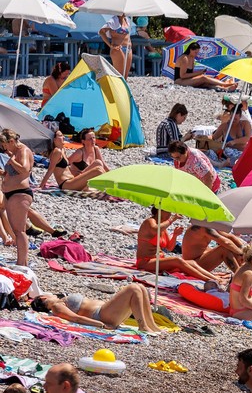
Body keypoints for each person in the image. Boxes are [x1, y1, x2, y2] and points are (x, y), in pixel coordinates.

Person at [136, 208, 223, 284]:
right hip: (145, 262)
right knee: (177, 260)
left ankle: (215, 278)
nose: (169, 215)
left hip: (158, 260)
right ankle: (208, 279)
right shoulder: (150, 222)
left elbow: (169, 248)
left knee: (192, 262)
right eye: (168, 212)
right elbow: (155, 229)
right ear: (160, 211)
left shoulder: (163, 227)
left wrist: (175, 235)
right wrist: (172, 220)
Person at [30, 284, 164, 333]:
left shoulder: (60, 302)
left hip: (106, 312)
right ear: (43, 298)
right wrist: (101, 325)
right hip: (102, 315)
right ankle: (143, 326)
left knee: (140, 288)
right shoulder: (56, 306)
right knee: (133, 288)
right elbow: (76, 318)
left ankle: (151, 325)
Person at [2, 129, 35, 268]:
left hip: (20, 193)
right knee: (16, 229)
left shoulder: (23, 150)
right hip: (11, 193)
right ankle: (22, 262)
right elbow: (11, 174)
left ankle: (21, 262)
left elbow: (25, 169)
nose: (4, 148)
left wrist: (11, 160)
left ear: (11, 141)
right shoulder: (15, 152)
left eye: (5, 145)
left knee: (20, 231)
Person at [37, 131, 104, 191]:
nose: (63, 137)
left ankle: (110, 185)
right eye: (60, 135)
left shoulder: (62, 149)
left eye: (62, 135)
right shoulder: (57, 151)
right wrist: (41, 186)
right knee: (98, 170)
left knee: (98, 164)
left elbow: (66, 168)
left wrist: (77, 172)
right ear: (54, 140)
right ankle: (111, 186)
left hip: (72, 180)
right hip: (66, 184)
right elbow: (50, 170)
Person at [99, 13, 132, 77]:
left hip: (128, 48)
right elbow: (101, 32)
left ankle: (123, 87)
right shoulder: (113, 21)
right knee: (119, 74)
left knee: (125, 76)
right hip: (118, 48)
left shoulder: (127, 20)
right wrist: (110, 45)